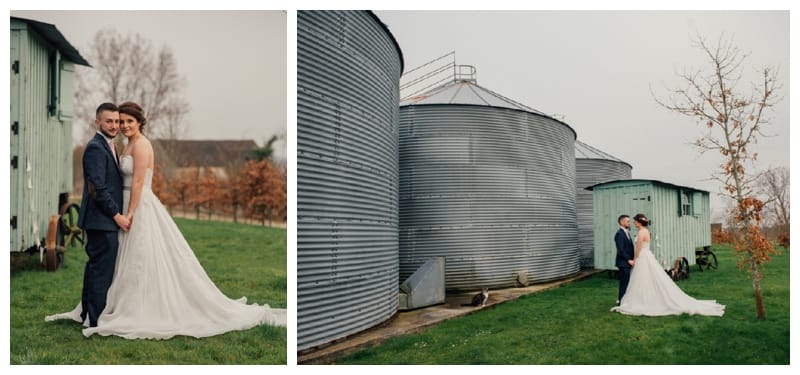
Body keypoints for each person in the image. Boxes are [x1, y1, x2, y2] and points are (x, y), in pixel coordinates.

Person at [47, 102, 286, 338]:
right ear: (99, 122)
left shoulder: (141, 145)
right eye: (119, 121)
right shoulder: (117, 146)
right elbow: (102, 183)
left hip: (137, 207)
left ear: (140, 122)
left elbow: (138, 182)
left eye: (127, 121)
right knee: (112, 263)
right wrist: (119, 214)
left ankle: (123, 310)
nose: (122, 125)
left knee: (139, 259)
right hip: (114, 213)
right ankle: (97, 311)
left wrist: (128, 213)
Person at [75, 103, 131, 328]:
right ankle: (95, 320)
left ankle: (88, 313)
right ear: (97, 122)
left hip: (101, 220)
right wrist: (116, 215)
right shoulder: (96, 147)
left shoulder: (109, 145)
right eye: (109, 121)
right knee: (101, 269)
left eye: (117, 121)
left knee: (96, 267)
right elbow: (97, 187)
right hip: (101, 220)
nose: (114, 125)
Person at [611, 213, 725, 316]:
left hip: (642, 257)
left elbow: (638, 248)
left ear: (639, 222)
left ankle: (640, 300)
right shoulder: (645, 231)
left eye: (634, 221)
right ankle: (640, 298)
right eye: (630, 221)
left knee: (642, 278)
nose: (633, 222)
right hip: (646, 256)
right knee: (646, 278)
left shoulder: (641, 232)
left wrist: (635, 259)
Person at [614, 214, 634, 305]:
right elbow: (621, 250)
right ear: (621, 222)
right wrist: (628, 259)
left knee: (627, 282)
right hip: (623, 263)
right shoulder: (619, 234)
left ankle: (625, 300)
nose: (629, 223)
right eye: (627, 221)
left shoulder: (626, 232)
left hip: (628, 262)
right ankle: (621, 301)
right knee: (624, 283)